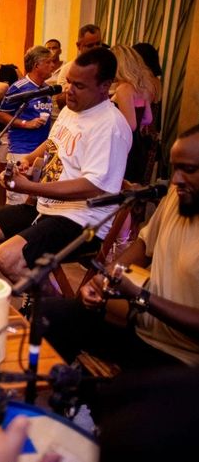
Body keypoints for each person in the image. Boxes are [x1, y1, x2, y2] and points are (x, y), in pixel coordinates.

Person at [0, 48, 132, 293]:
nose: (69, 90)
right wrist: (28, 159)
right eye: (68, 82)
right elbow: (53, 143)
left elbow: (93, 186)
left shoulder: (110, 125)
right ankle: (36, 282)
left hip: (81, 221)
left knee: (7, 256)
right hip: (46, 205)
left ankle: (53, 307)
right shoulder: (71, 109)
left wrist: (31, 187)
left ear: (104, 86)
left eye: (79, 85)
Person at [42, 124, 199, 370]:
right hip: (140, 326)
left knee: (116, 401)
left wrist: (141, 296)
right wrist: (104, 281)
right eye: (175, 168)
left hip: (181, 357)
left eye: (188, 170)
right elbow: (145, 244)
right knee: (50, 315)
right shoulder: (176, 198)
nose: (176, 179)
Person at [0, 45, 55, 204]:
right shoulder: (19, 88)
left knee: (35, 201)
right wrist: (25, 123)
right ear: (37, 65)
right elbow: (1, 115)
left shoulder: (47, 89)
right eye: (48, 62)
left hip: (42, 152)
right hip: (21, 150)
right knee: (18, 200)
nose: (53, 65)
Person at [110, 44, 159, 184]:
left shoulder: (123, 89)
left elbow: (130, 125)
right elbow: (148, 118)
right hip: (138, 145)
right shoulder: (142, 87)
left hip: (124, 147)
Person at [56, 24, 103, 109]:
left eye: (98, 44)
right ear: (78, 46)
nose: (95, 48)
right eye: (90, 46)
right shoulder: (67, 70)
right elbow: (62, 101)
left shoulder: (108, 67)